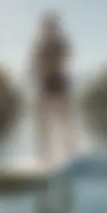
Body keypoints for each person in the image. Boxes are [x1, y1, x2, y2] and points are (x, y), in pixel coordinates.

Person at [30, 11, 77, 165]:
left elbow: (63, 58)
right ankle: (44, 156)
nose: (47, 29)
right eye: (46, 26)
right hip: (45, 86)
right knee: (42, 123)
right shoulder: (40, 44)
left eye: (49, 26)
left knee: (64, 121)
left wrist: (47, 64)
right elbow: (34, 64)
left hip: (59, 85)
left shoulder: (59, 42)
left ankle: (71, 153)